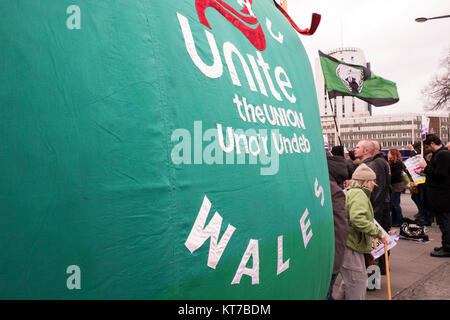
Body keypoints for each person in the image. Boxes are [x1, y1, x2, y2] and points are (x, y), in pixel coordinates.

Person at [336, 164, 386, 300]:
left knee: (349, 282)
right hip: (352, 244)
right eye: (372, 182)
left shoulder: (351, 191)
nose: (373, 185)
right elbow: (358, 219)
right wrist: (378, 233)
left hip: (349, 243)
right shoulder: (359, 194)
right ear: (365, 182)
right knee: (357, 283)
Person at [420, 134, 450, 257]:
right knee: (443, 223)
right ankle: (445, 244)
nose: (427, 149)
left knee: (445, 222)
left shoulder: (443, 154)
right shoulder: (440, 154)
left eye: (427, 146)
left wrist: (426, 168)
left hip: (443, 196)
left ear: (432, 143)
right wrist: (425, 171)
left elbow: (441, 174)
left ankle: (448, 248)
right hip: (440, 196)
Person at [325, 153, 348, 300]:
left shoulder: (332, 190)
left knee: (325, 294)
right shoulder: (333, 188)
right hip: (330, 256)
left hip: (330, 257)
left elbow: (340, 229)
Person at [388, 148, 409, 227]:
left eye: (389, 153)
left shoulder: (398, 163)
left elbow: (396, 175)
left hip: (397, 185)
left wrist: (388, 178)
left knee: (395, 204)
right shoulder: (393, 162)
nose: (388, 154)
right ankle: (394, 220)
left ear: (392, 154)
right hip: (395, 185)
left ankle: (399, 221)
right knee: (395, 203)